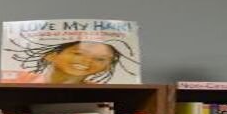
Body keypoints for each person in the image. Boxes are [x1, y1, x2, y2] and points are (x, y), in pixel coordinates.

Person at [8, 39, 136, 84]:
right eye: (78, 53)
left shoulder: (105, 93)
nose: (87, 61)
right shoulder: (15, 80)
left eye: (100, 59)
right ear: (51, 56)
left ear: (106, 67)